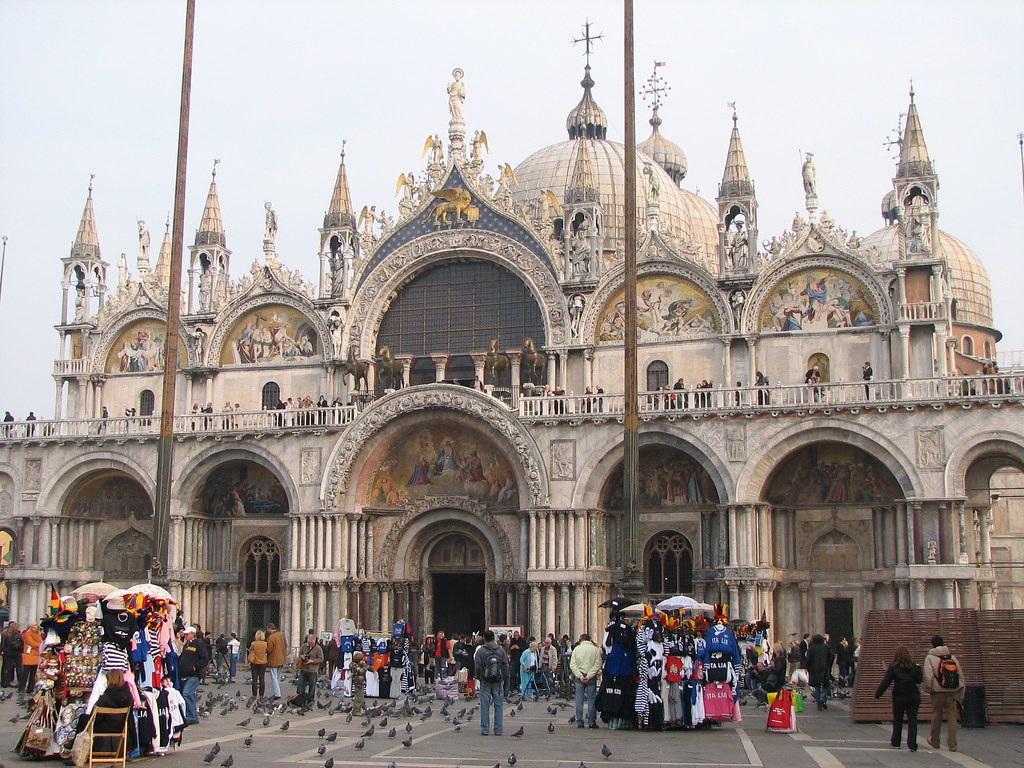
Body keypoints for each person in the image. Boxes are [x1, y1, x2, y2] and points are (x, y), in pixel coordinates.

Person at [875, 645, 923, 751]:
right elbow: (919, 680)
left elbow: (886, 682)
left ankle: (896, 742)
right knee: (912, 720)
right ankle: (912, 744)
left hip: (899, 695)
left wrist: (878, 694)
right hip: (913, 694)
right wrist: (919, 669)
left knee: (897, 719)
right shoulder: (914, 666)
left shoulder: (893, 666)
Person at [922, 634, 966, 751]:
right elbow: (960, 676)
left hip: (937, 692)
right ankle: (952, 744)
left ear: (932, 644)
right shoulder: (952, 657)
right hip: (952, 691)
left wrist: (928, 689)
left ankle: (935, 741)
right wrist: (961, 692)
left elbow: (928, 676)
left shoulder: (930, 658)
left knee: (937, 715)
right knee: (952, 717)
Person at [80, 669, 133, 754]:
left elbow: (95, 717)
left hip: (105, 726)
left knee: (83, 718)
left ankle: (80, 751)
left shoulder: (106, 697)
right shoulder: (128, 696)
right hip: (121, 727)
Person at [474, 629, 509, 736]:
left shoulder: (481, 651)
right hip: (498, 682)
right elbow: (505, 666)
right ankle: (498, 729)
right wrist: (504, 679)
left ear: (484, 638)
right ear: (494, 638)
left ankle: (485, 729)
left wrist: (480, 678)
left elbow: (477, 667)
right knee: (498, 706)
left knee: (485, 706)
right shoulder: (501, 650)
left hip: (485, 681)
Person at [177, 626, 210, 724]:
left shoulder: (198, 644)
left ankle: (191, 716)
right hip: (185, 674)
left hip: (194, 674)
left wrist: (195, 667)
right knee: (188, 695)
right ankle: (193, 717)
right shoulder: (187, 645)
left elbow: (205, 658)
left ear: (192, 634)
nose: (185, 636)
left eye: (187, 634)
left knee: (187, 694)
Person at [570, 633, 601, 728]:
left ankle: (579, 721)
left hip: (579, 677)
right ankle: (591, 721)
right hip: (591, 678)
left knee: (579, 699)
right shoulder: (595, 650)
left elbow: (572, 664)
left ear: (581, 640)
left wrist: (580, 676)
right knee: (591, 699)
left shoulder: (576, 649)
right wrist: (589, 675)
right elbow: (598, 664)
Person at [752, 642, 787, 706]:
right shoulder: (778, 658)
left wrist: (772, 667)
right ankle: (761, 700)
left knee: (762, 688)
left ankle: (763, 701)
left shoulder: (780, 659)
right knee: (759, 687)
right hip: (773, 679)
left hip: (777, 680)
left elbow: (778, 670)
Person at [804, 633, 834, 710]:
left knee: (817, 687)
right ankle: (823, 697)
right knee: (826, 685)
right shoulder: (827, 647)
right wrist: (828, 664)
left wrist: (807, 667)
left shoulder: (811, 648)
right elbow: (831, 656)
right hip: (824, 668)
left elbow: (808, 659)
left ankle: (819, 706)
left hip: (814, 669)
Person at [297, 633, 324, 700]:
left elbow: (321, 659)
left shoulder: (318, 648)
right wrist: (302, 657)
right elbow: (300, 653)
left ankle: (310, 699)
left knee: (312, 686)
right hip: (304, 669)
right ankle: (300, 698)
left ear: (315, 641)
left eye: (312, 643)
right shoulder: (304, 646)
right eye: (309, 643)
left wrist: (313, 661)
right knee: (300, 684)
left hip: (313, 670)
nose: (310, 644)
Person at [19, 622, 42, 696]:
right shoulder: (28, 634)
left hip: (35, 656)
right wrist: (38, 646)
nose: (35, 629)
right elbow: (33, 643)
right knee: (25, 674)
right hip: (28, 657)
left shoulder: (38, 634)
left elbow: (40, 643)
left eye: (36, 628)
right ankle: (21, 688)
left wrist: (38, 645)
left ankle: (30, 689)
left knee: (33, 675)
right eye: (33, 628)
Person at [266, 623, 287, 700]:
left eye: (267, 629)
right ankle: (276, 692)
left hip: (274, 659)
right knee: (278, 677)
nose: (267, 631)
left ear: (269, 629)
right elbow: (286, 645)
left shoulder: (271, 637)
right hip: (281, 659)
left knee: (274, 677)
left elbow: (269, 649)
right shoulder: (281, 635)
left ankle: (277, 694)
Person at [247, 630, 268, 700]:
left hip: (255, 662)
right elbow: (267, 651)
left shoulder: (253, 643)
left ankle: (254, 695)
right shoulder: (265, 644)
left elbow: (250, 650)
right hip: (263, 662)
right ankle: (261, 695)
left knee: (254, 679)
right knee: (262, 679)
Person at [0, 621, 22, 688]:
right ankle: (18, 682)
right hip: (15, 653)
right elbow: (22, 643)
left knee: (8, 668)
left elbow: (3, 645)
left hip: (10, 653)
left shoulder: (6, 634)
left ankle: (6, 682)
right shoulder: (16, 634)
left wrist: (5, 651)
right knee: (16, 668)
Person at [349, 651, 368, 715]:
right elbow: (362, 671)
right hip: (358, 682)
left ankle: (360, 709)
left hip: (361, 682)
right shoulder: (354, 666)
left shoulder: (357, 665)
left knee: (361, 697)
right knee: (359, 697)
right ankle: (355, 710)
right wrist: (364, 665)